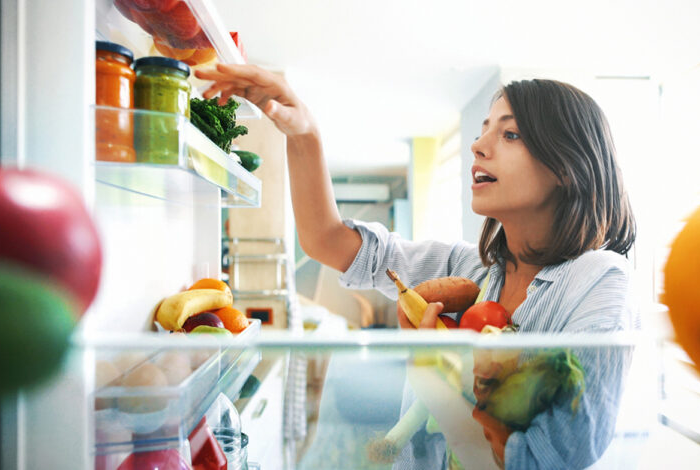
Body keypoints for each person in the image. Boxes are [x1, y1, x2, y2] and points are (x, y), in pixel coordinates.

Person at [196, 64, 638, 469]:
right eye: (485, 130)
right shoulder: (471, 268)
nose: (478, 145)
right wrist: (303, 132)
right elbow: (326, 240)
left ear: (567, 164)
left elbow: (545, 460)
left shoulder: (599, 281)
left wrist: (429, 374)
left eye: (510, 134)